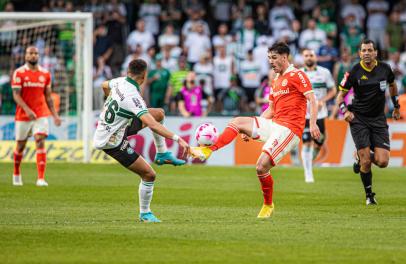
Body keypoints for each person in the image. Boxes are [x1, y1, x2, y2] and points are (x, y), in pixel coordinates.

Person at [191, 42, 320, 218]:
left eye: (274, 58)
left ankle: (268, 205)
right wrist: (252, 127)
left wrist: (312, 123)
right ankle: (208, 149)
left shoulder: (298, 74)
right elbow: (271, 110)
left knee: (261, 167)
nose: (271, 62)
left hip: (289, 129)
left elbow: (312, 99)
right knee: (237, 122)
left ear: (284, 57)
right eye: (269, 58)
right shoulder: (275, 81)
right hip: (275, 124)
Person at [93, 59, 189, 223]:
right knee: (149, 174)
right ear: (144, 75)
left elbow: (104, 85)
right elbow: (152, 125)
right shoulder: (133, 97)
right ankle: (145, 213)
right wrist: (177, 138)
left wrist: (111, 101)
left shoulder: (119, 81)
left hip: (118, 125)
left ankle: (162, 153)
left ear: (128, 71)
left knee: (158, 113)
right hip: (112, 140)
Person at [336, 39, 401, 205]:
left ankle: (359, 155)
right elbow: (340, 97)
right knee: (366, 162)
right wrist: (345, 111)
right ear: (359, 54)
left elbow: (393, 86)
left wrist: (396, 106)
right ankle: (369, 195)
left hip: (378, 118)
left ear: (375, 53)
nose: (366, 53)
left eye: (369, 50)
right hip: (359, 118)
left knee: (383, 162)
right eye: (363, 50)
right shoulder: (354, 71)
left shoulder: (385, 69)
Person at [11, 46, 62, 186]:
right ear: (25, 56)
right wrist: (27, 110)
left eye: (35, 53)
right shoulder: (19, 73)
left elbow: (48, 97)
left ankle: (40, 178)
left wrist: (55, 115)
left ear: (38, 56)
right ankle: (16, 173)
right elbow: (16, 95)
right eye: (30, 53)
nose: (33, 55)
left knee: (40, 140)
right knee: (20, 146)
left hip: (40, 114)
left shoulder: (45, 74)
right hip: (23, 115)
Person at [300, 49, 337, 183]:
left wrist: (323, 100)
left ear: (315, 57)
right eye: (306, 56)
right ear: (303, 58)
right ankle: (308, 173)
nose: (309, 58)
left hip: (320, 114)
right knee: (306, 142)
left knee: (319, 142)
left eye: (311, 55)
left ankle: (310, 161)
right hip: (304, 114)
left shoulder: (324, 72)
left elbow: (333, 90)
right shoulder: (299, 74)